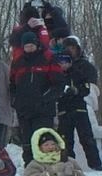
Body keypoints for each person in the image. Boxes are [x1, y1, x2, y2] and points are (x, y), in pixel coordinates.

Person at [7, 19, 65, 166]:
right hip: (24, 110)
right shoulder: (18, 61)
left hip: (43, 110)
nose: (29, 48)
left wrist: (45, 98)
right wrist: (15, 101)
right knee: (27, 144)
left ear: (37, 44)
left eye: (31, 45)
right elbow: (12, 84)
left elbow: (58, 84)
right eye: (26, 46)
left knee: (44, 142)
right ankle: (30, 174)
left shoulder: (48, 58)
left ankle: (48, 171)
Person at [55, 36, 102, 170]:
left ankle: (96, 166)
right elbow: (53, 91)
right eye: (61, 61)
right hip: (64, 111)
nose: (64, 64)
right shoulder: (57, 76)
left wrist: (76, 90)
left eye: (66, 61)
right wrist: (60, 94)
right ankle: (68, 166)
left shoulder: (79, 72)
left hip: (80, 109)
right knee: (65, 141)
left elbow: (87, 88)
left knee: (87, 139)